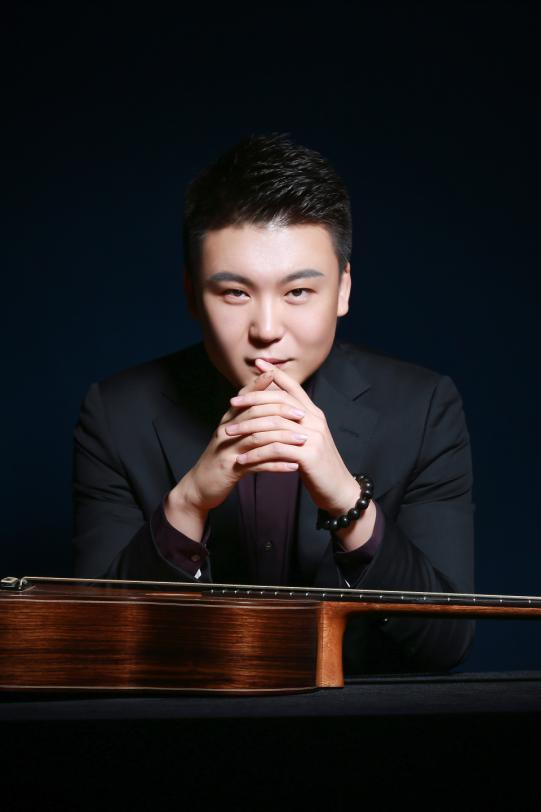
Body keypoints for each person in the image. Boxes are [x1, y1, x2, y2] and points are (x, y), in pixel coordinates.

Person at [72, 133, 475, 674]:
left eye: (298, 292)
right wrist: (187, 504)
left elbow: (446, 644)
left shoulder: (424, 409)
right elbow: (92, 645)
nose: (266, 329)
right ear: (192, 295)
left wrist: (347, 502)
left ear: (343, 290)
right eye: (235, 293)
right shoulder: (115, 414)